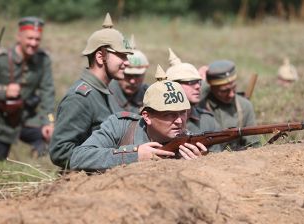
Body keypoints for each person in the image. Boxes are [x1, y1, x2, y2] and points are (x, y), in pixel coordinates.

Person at [70, 65, 207, 171]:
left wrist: (196, 165)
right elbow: (78, 157)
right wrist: (134, 155)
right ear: (147, 117)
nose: (179, 121)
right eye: (169, 114)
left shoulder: (189, 142)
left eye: (182, 113)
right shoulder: (121, 126)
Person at [49, 13, 132, 169]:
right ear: (100, 57)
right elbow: (60, 152)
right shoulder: (80, 98)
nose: (127, 62)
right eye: (121, 56)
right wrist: (119, 157)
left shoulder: (106, 92)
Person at [0, 17, 55, 160]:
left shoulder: (43, 60)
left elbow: (48, 93)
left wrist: (49, 122)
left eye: (37, 39)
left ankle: (39, 166)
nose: (33, 43)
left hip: (24, 119)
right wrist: (3, 91)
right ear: (19, 36)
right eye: (29, 38)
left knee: (54, 135)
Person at [199, 60, 260, 150]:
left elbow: (254, 145)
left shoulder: (245, 106)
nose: (231, 94)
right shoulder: (201, 104)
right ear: (211, 87)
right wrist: (203, 85)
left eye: (234, 87)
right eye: (224, 91)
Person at [165, 48, 221, 137]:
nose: (198, 86)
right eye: (190, 82)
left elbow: (220, 150)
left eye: (198, 82)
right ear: (173, 85)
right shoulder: (159, 121)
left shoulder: (207, 120)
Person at [109, 35, 149, 113]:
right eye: (127, 75)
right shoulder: (106, 95)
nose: (132, 81)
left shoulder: (150, 95)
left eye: (137, 76)